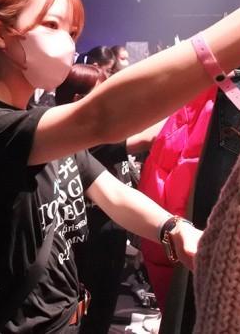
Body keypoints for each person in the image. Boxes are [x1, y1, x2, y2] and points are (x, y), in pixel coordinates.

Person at [0, 0, 240, 333]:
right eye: (52, 25)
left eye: (72, 32)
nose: (67, 43)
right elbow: (100, 117)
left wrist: (174, 229)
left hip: (66, 319)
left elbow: (112, 193)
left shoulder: (45, 125)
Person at [55, 63, 163, 334]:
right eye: (103, 92)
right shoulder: (85, 135)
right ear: (79, 99)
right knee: (91, 309)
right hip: (92, 234)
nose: (110, 98)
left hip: (109, 228)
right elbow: (148, 137)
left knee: (101, 306)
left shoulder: (97, 129)